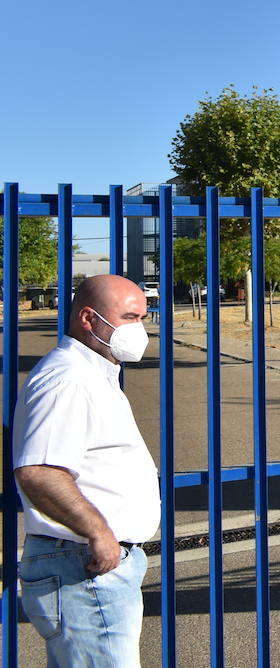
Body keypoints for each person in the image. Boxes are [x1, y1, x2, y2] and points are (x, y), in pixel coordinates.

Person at [13, 274, 160, 666]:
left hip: (89, 567)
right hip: (83, 567)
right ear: (89, 319)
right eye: (129, 318)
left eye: (143, 317)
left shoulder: (94, 375)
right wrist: (99, 532)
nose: (139, 330)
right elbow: (38, 470)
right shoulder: (68, 379)